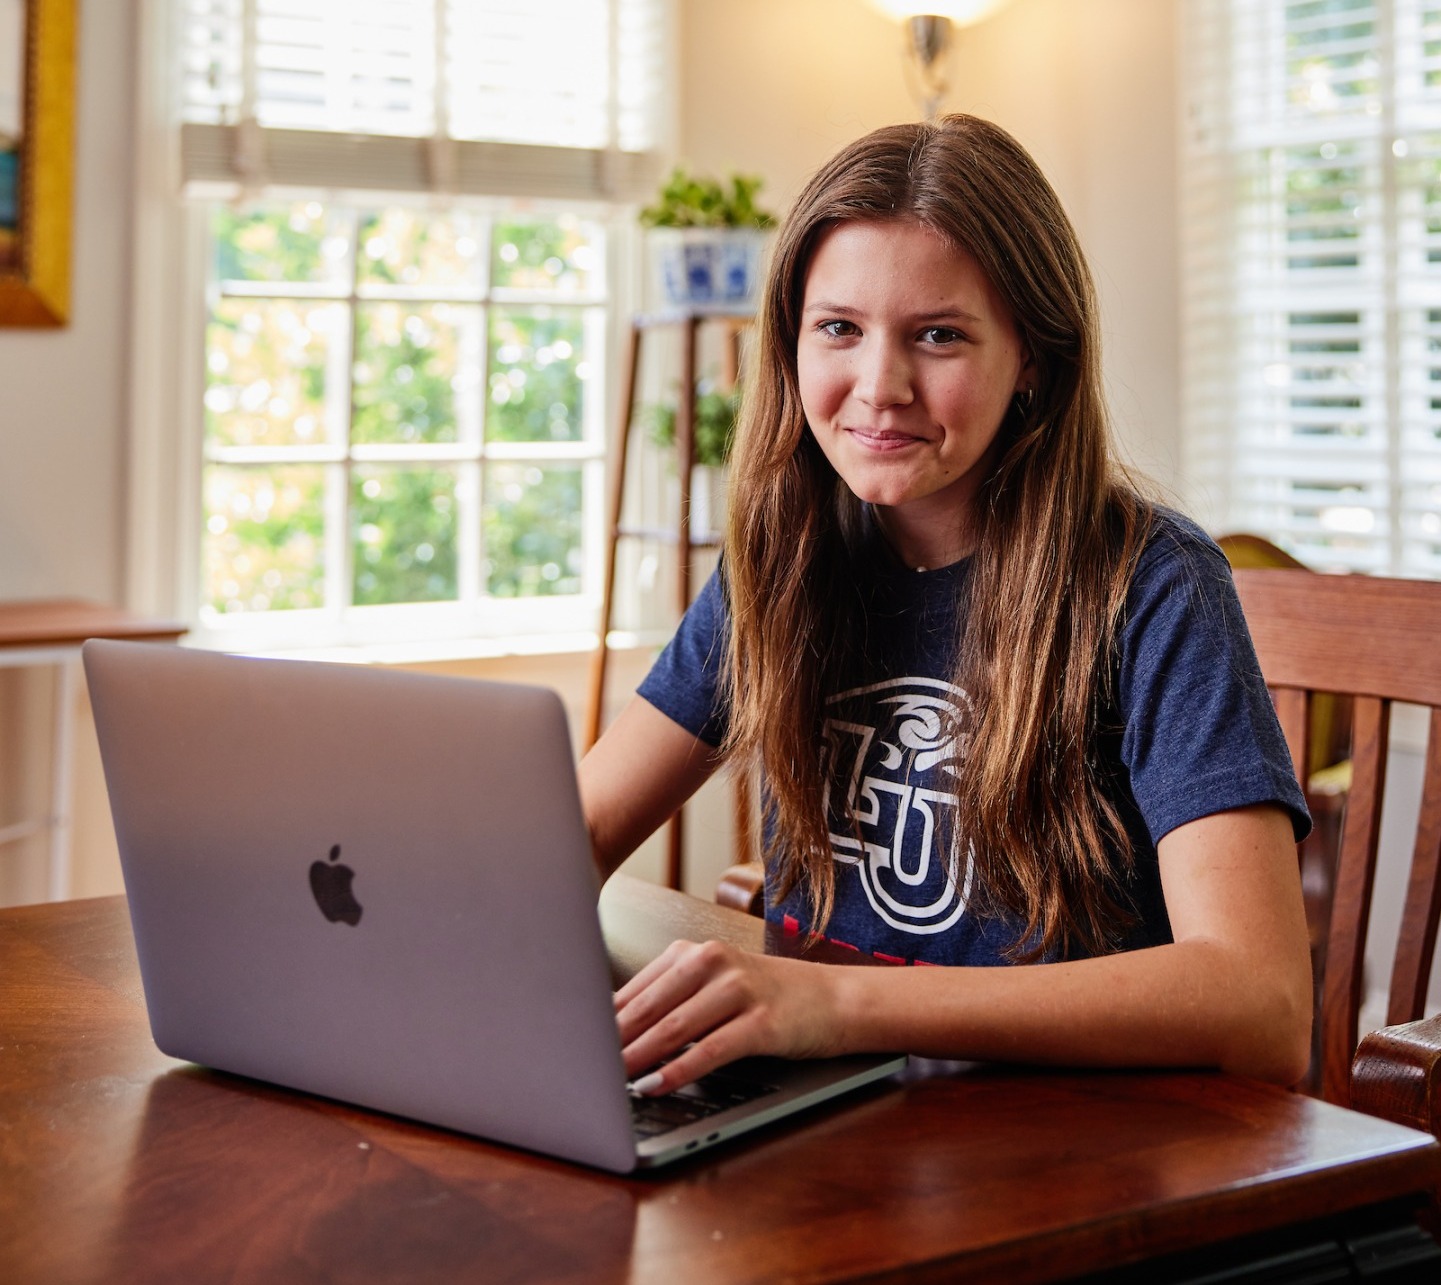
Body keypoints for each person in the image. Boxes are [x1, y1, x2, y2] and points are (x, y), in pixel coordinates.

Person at [578, 114, 1313, 1098]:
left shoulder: (1153, 584)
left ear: (1035, 362)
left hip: (1070, 1148)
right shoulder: (782, 560)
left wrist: (832, 1005)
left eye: (937, 335)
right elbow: (573, 836)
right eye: (838, 328)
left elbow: (1259, 1002)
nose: (879, 387)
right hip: (830, 1129)